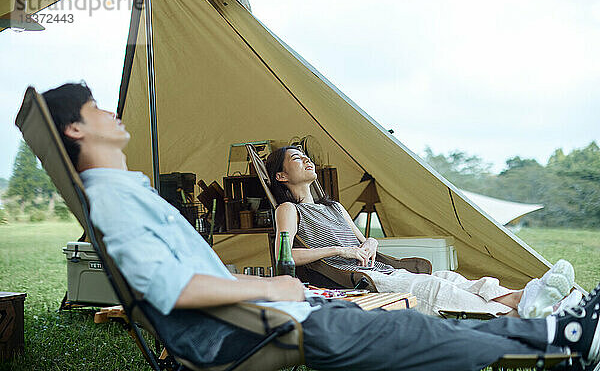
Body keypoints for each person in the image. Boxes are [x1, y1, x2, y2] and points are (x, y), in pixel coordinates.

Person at [42, 82, 600, 371]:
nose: (113, 112)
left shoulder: (127, 195)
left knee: (424, 317)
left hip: (265, 314)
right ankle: (556, 337)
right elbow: (172, 289)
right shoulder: (115, 204)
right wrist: (272, 285)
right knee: (412, 329)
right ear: (73, 129)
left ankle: (553, 331)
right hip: (243, 330)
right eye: (97, 108)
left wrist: (345, 258)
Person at [265, 145, 579, 318]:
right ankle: (540, 308)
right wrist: (339, 251)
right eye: (296, 158)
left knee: (452, 280)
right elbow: (286, 256)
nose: (306, 159)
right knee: (438, 292)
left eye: (305, 155)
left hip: (380, 269)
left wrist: (370, 243)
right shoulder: (288, 210)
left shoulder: (334, 207)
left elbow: (365, 240)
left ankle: (533, 303)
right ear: (281, 175)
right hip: (364, 282)